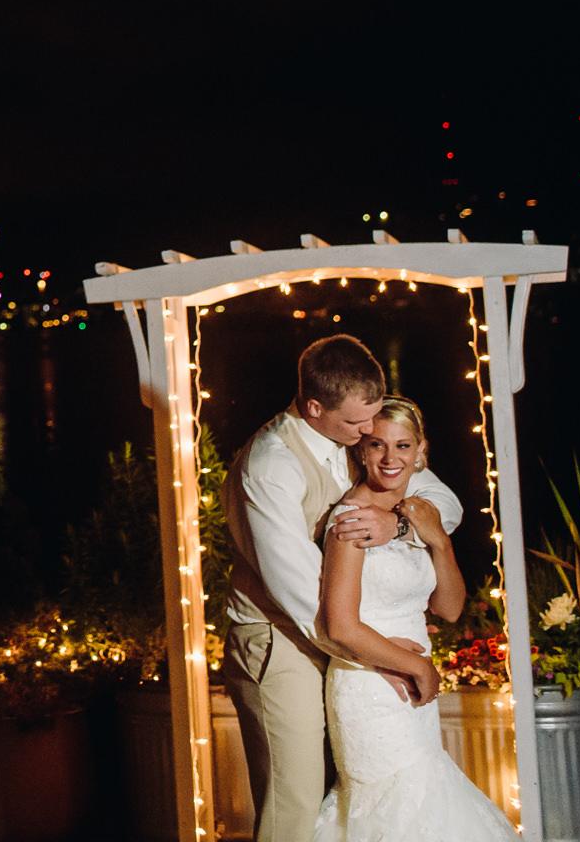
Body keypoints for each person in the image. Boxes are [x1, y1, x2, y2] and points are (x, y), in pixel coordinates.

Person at [222, 335, 463, 842]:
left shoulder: (359, 441)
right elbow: (299, 593)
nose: (368, 433)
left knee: (350, 798)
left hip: (344, 638)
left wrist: (398, 524)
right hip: (280, 638)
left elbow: (440, 498)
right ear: (314, 406)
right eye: (359, 424)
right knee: (296, 801)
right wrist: (381, 656)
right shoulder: (271, 465)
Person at [310, 397, 516, 841]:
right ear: (360, 451)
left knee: (423, 810)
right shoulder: (350, 520)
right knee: (396, 811)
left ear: (421, 452)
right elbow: (340, 626)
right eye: (378, 445)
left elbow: (449, 608)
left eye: (403, 446)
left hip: (412, 700)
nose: (390, 459)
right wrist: (419, 665)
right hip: (369, 688)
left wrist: (439, 542)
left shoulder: (416, 514)